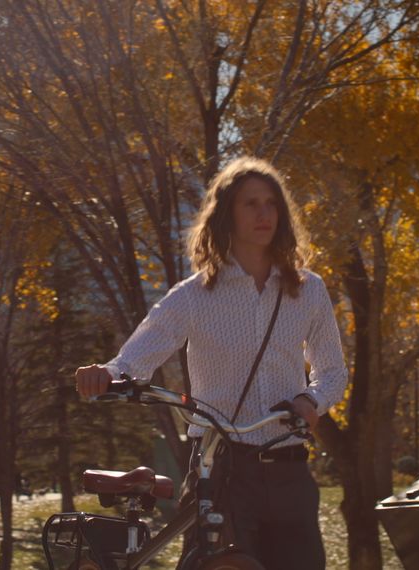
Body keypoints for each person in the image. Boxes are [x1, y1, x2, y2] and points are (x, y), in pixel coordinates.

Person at [76, 157, 347, 569]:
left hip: (290, 472)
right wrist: (106, 375)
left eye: (271, 203)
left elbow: (331, 372)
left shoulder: (308, 290)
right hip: (224, 474)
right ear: (226, 216)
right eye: (250, 203)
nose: (263, 213)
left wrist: (311, 402)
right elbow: (134, 359)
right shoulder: (194, 296)